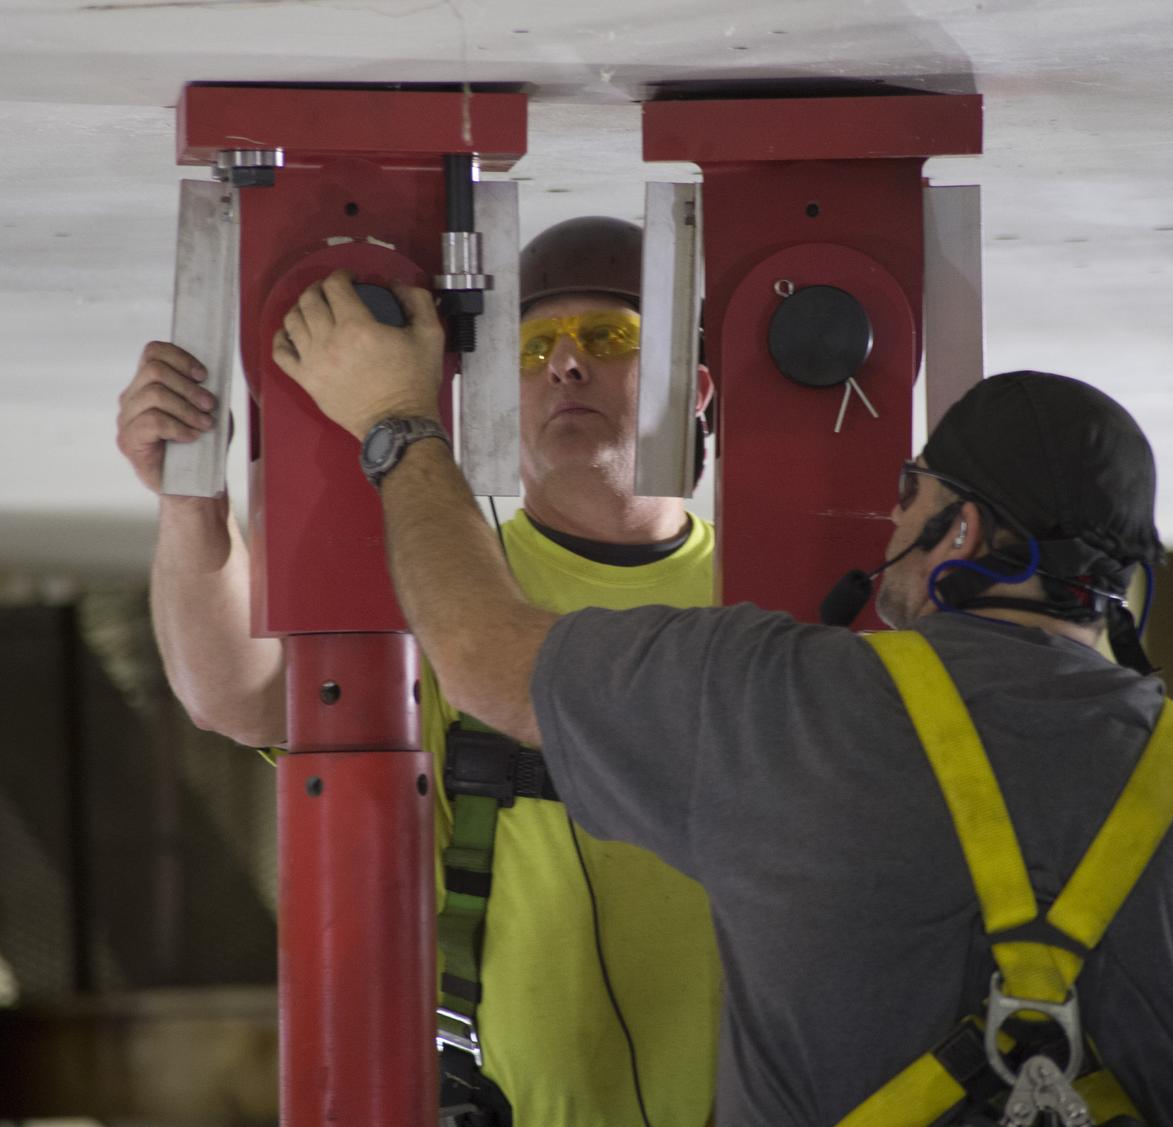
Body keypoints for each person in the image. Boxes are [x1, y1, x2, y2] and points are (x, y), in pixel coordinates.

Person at [273, 269, 1173, 1127]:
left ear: (960, 535)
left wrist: (394, 422)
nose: (890, 518)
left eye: (910, 493)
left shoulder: (791, 700)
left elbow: (484, 657)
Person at [115, 217, 722, 1127]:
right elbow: (236, 695)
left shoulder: (768, 597)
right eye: (534, 345)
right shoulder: (444, 580)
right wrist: (188, 502)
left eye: (609, 339)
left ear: (698, 385)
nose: (565, 365)